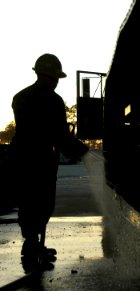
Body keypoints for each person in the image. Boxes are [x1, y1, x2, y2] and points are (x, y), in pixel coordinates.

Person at [9, 53, 86, 269]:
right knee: (37, 204)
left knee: (37, 204)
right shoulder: (51, 100)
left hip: (29, 158)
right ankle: (31, 247)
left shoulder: (21, 97)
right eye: (54, 78)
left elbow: (56, 133)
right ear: (45, 76)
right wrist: (82, 151)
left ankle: (36, 244)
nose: (55, 82)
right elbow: (57, 133)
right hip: (36, 159)